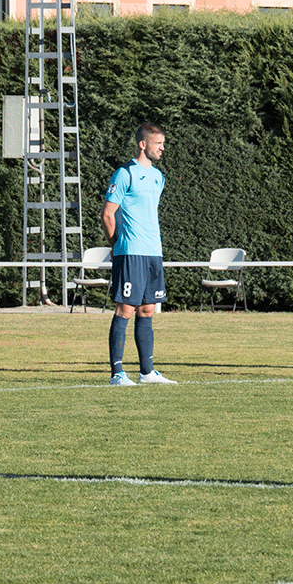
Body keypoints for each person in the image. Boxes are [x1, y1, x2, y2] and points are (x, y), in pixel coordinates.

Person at [101, 122, 177, 387]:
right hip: (130, 252)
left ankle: (147, 372)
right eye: (158, 143)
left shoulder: (158, 177)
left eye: (163, 143)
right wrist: (117, 246)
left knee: (147, 309)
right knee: (126, 308)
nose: (162, 148)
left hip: (153, 252)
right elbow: (108, 214)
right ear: (143, 144)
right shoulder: (124, 174)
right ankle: (117, 373)